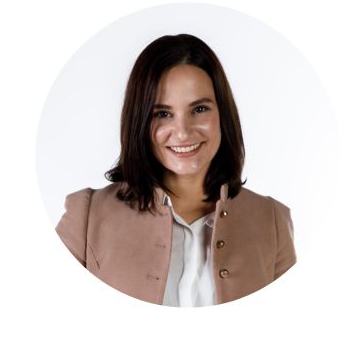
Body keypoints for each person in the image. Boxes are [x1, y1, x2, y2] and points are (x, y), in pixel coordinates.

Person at [56, 33, 297, 307]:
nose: (183, 132)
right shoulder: (86, 216)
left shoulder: (271, 221)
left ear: (223, 115)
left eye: (200, 109)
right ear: (140, 122)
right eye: (163, 113)